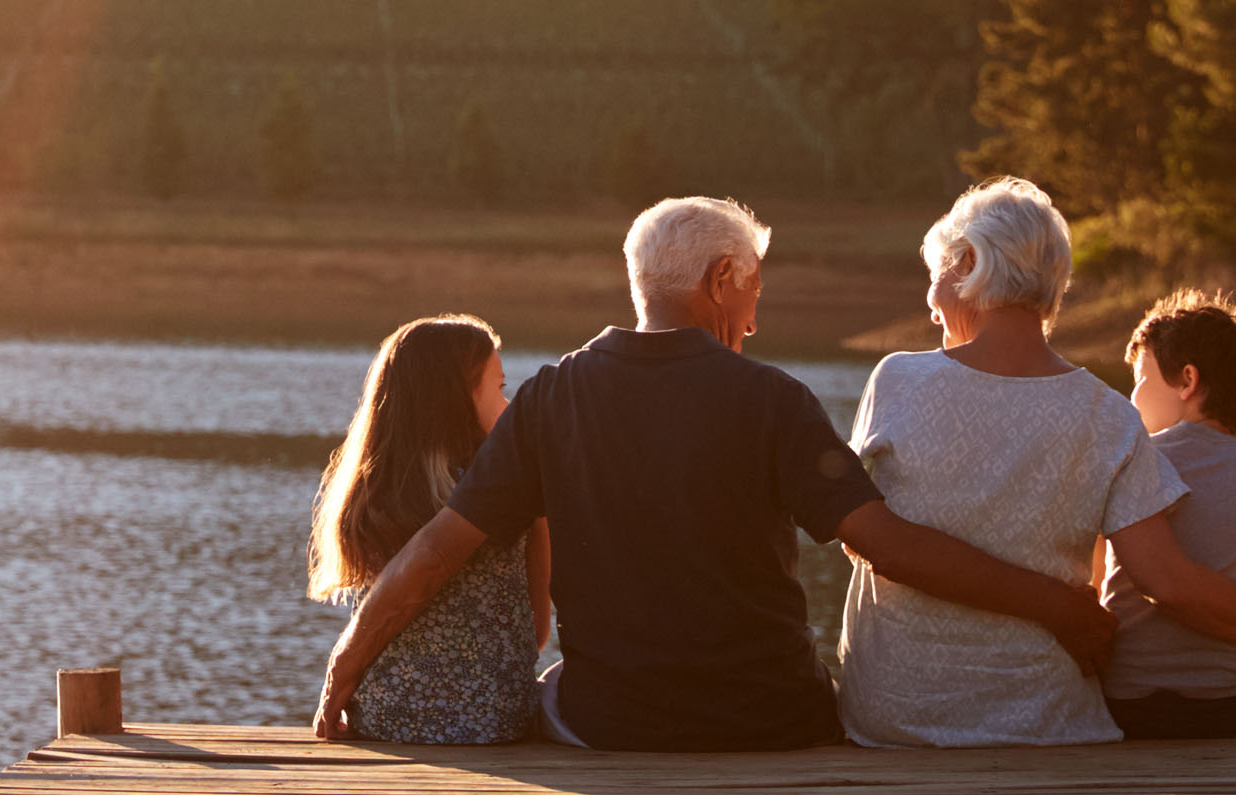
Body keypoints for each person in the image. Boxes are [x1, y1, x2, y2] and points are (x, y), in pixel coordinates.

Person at [314, 195, 1116, 752]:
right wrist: (1060, 607)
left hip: (609, 725)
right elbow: (885, 545)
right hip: (771, 721)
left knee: (556, 686)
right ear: (719, 282)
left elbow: (431, 555)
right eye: (753, 290)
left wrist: (341, 675)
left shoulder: (551, 397)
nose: (756, 318)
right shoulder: (774, 399)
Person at [838, 178, 1236, 748]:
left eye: (935, 279)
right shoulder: (1107, 414)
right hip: (1045, 718)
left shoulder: (898, 380)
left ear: (970, 263)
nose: (931, 307)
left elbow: (860, 540)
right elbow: (1164, 580)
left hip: (896, 715)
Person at [307, 314, 550, 744]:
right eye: (499, 388)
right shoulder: (508, 487)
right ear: (456, 398)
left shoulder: (375, 492)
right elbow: (536, 629)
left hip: (389, 716)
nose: (509, 406)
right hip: (494, 722)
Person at [1101, 290, 1236, 738]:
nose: (1132, 395)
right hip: (1225, 705)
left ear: (1187, 381)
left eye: (1139, 379)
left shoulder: (1131, 461)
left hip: (1129, 705)